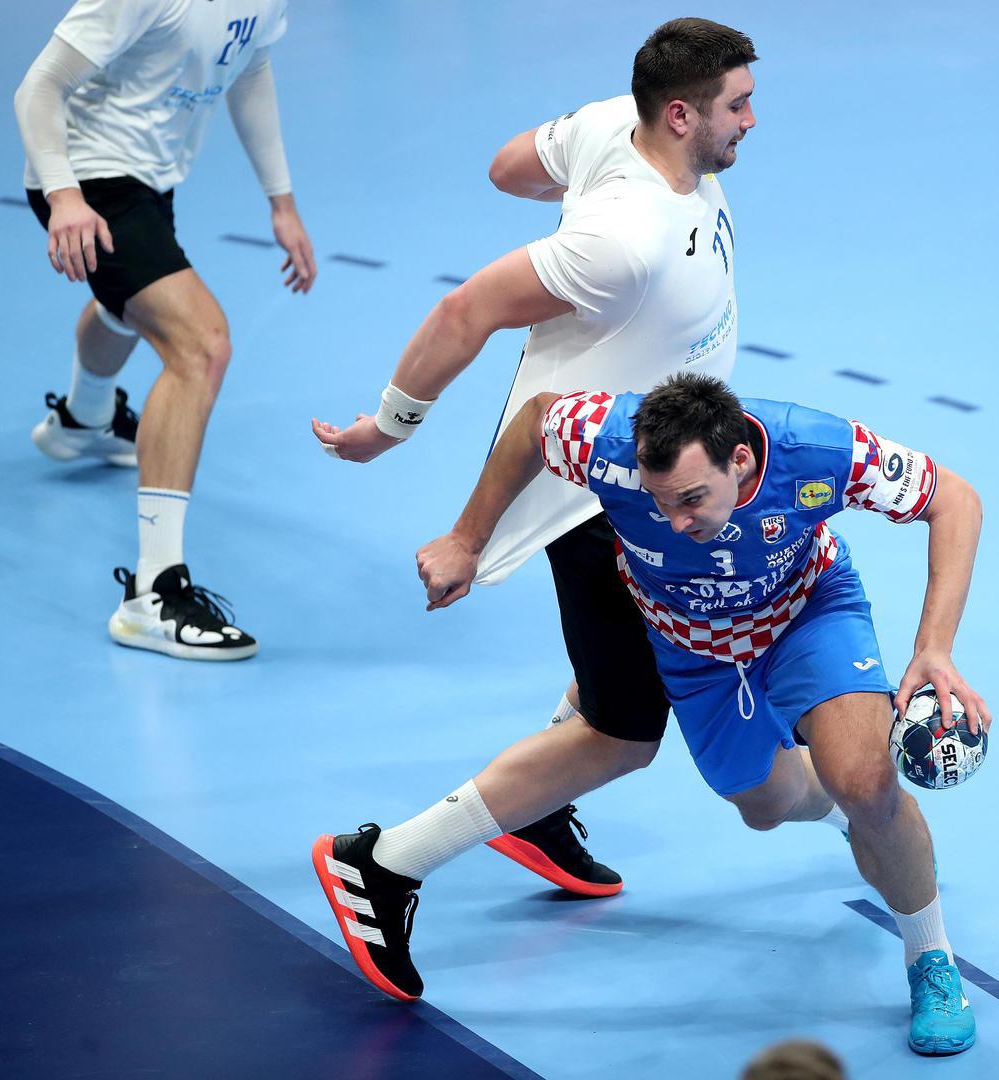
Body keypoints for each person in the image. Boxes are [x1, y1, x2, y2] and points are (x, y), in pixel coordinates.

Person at [312, 373, 989, 1055]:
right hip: (693, 651)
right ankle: (859, 817)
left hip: (807, 615)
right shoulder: (599, 437)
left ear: (741, 461)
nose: (677, 522)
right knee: (767, 805)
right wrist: (467, 537)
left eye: (692, 498)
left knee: (867, 781)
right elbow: (535, 420)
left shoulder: (818, 451)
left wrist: (934, 647)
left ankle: (930, 958)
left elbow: (954, 499)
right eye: (661, 501)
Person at [313, 17, 757, 895]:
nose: (751, 120)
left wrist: (585, 183)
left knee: (634, 668)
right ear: (679, 114)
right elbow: (465, 311)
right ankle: (384, 866)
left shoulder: (618, 124)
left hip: (659, 471)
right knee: (624, 735)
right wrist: (389, 429)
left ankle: (542, 808)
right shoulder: (621, 243)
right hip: (606, 500)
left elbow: (508, 167)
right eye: (737, 105)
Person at [14, 0, 316, 661]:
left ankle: (84, 420)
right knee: (201, 344)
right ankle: (154, 594)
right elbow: (38, 86)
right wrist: (64, 197)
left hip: (150, 174)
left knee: (131, 305)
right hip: (88, 176)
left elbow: (251, 65)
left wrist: (282, 202)